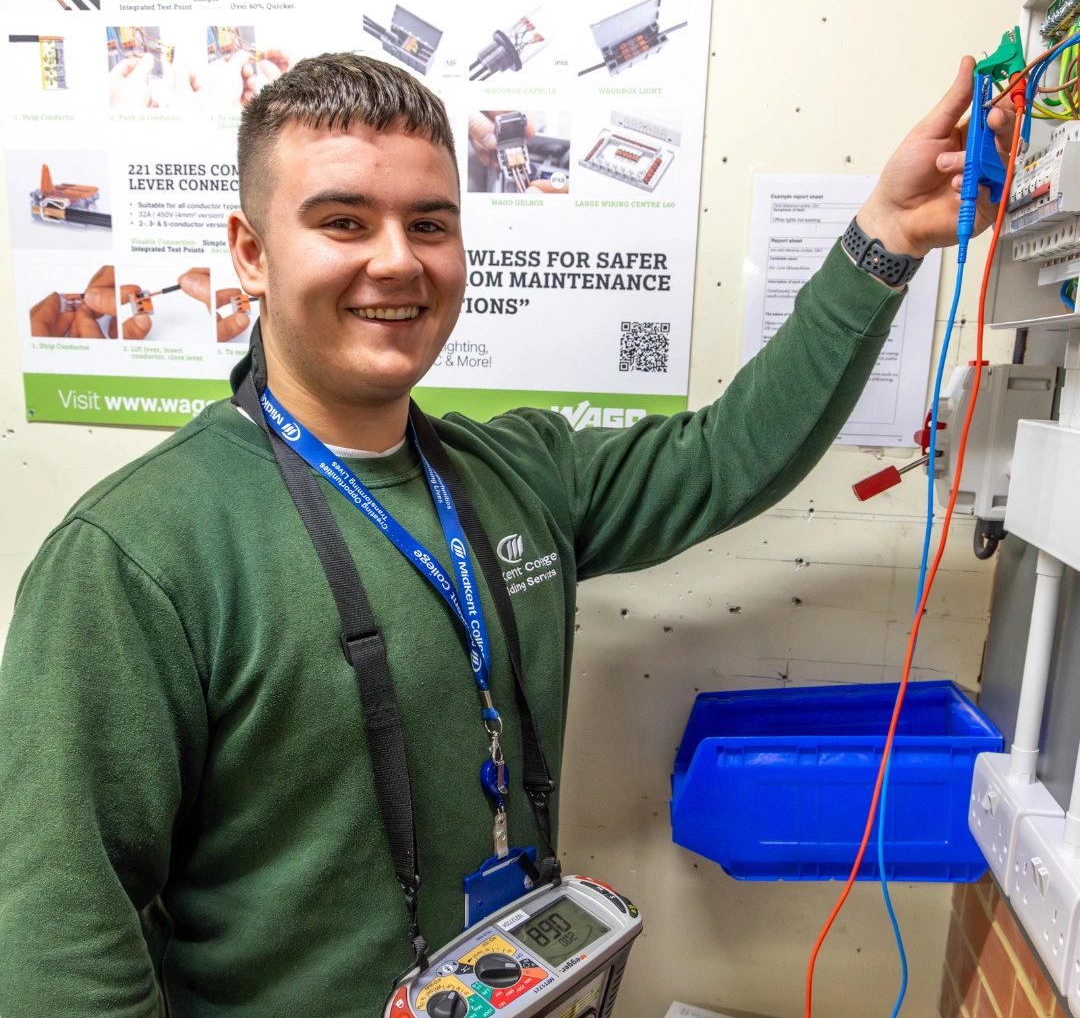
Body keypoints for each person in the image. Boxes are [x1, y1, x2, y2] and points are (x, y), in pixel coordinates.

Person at [0, 53, 1015, 1016]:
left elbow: (731, 452)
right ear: (251, 254)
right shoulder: (135, 554)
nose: (396, 260)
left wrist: (886, 237)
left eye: (429, 224)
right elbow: (62, 937)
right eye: (344, 221)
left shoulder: (518, 474)